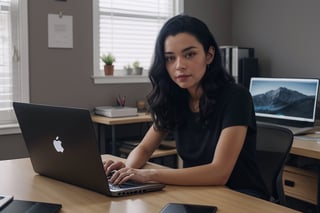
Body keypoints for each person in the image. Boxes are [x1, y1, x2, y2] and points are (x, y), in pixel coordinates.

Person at [104, 14, 269, 200]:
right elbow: (144, 148)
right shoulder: (176, 97)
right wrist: (128, 171)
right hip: (199, 192)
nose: (179, 65)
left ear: (209, 55)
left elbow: (220, 172)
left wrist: (150, 175)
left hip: (243, 196)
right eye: (170, 58)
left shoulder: (236, 97)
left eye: (189, 54)